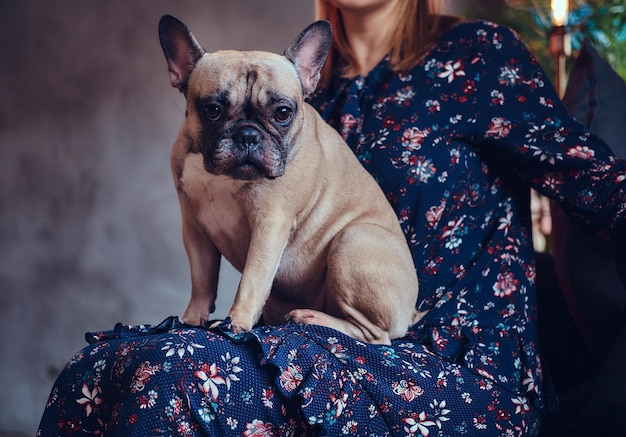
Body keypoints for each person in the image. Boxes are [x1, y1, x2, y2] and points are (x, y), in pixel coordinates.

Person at [38, 1, 626, 435]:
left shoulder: (478, 56)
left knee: (177, 380)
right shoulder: (291, 83)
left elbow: (591, 177)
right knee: (102, 374)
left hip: (455, 359)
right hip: (308, 335)